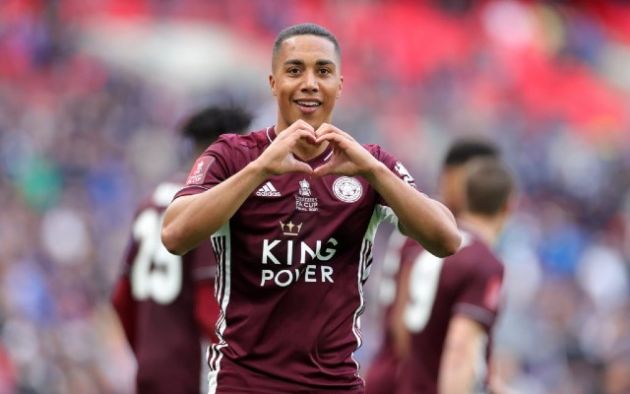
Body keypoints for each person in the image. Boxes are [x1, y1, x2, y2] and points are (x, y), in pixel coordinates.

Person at [161, 23, 461, 393]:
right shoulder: (234, 156)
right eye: (294, 70)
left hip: (334, 384)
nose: (309, 83)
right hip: (244, 383)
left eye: (323, 71)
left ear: (339, 84)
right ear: (273, 83)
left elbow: (446, 239)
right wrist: (261, 170)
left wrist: (375, 171)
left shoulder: (368, 164)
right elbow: (174, 235)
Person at [111, 105, 253, 394]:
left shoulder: (151, 202)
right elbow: (208, 306)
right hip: (192, 371)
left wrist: (148, 352)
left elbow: (121, 298)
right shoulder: (205, 208)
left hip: (151, 368)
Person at [365, 138, 499, 394]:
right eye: (475, 176)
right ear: (449, 176)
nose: (481, 187)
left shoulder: (465, 237)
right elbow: (404, 328)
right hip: (402, 381)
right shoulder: (423, 228)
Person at [397, 157, 514, 394]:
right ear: (507, 207)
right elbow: (460, 350)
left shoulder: (427, 248)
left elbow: (400, 329)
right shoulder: (484, 263)